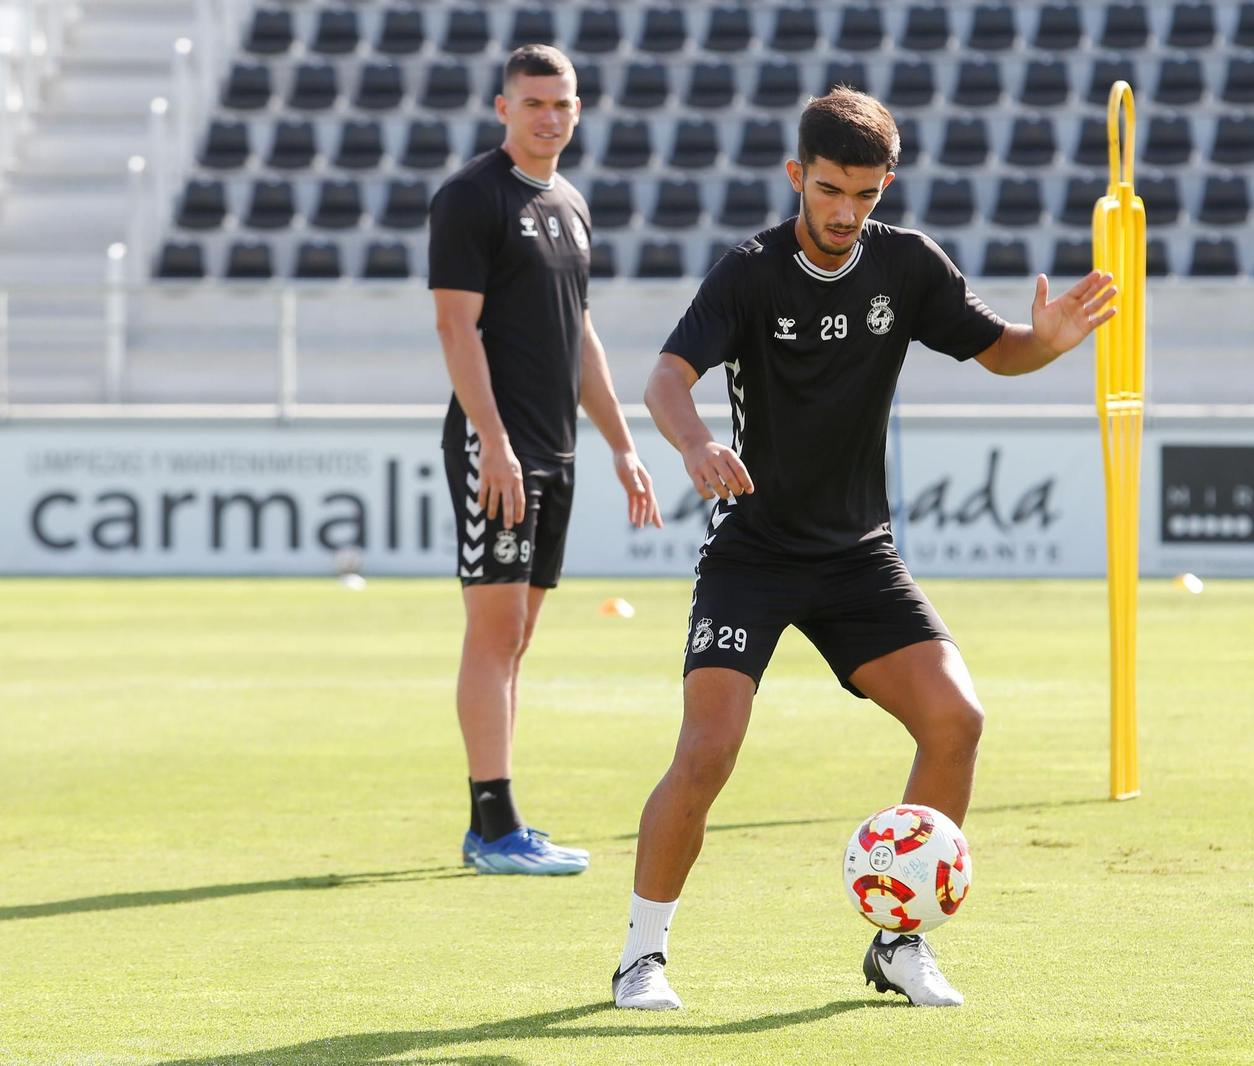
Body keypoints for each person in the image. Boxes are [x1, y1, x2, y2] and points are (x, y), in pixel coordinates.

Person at [611, 88, 1116, 1005]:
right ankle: (642, 954)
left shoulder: (908, 264)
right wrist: (692, 443)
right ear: (797, 176)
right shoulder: (748, 272)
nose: (847, 212)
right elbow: (665, 377)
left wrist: (1043, 343)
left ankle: (901, 941)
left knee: (957, 721)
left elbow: (994, 348)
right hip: (754, 554)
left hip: (857, 558)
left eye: (868, 194)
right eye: (832, 190)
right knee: (710, 748)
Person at [430, 44, 662, 875]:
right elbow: (456, 328)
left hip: (554, 451)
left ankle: (496, 822)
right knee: (493, 634)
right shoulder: (470, 197)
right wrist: (492, 443)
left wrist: (624, 445)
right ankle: (493, 827)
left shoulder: (570, 202)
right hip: (499, 448)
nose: (549, 117)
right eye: (534, 103)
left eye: (562, 103)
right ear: (503, 108)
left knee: (517, 636)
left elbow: (582, 335)